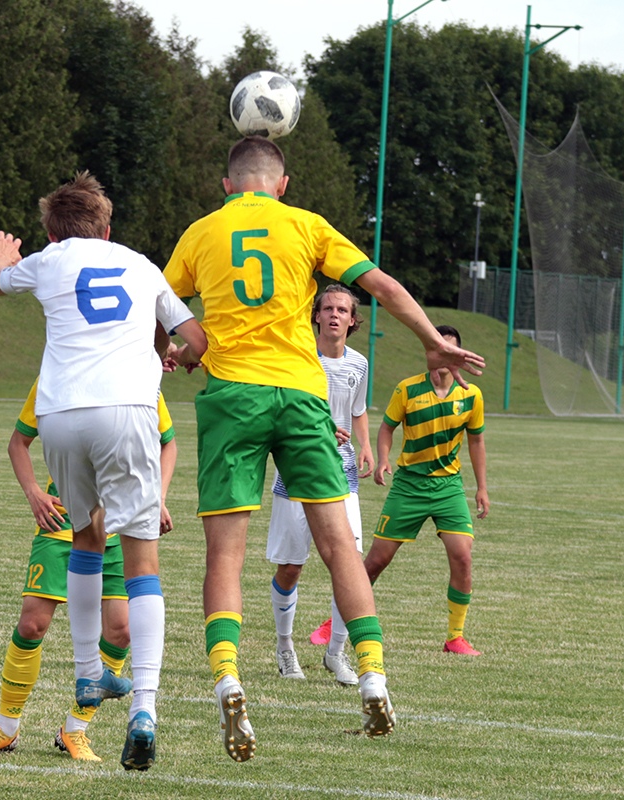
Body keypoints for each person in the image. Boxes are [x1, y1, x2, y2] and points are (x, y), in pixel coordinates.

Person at [161, 136, 484, 762]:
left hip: (233, 398)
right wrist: (431, 339)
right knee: (340, 546)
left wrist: (174, 351)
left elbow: (159, 308)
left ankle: (228, 679)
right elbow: (381, 284)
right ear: (282, 185)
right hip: (303, 397)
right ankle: (373, 677)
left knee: (225, 555)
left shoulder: (200, 233)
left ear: (227, 185)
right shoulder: (307, 225)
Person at [0, 171, 205, 771]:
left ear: (53, 232)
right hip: (126, 411)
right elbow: (195, 338)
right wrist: (177, 355)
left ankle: (87, 674)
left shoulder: (49, 260)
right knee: (141, 563)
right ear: (107, 229)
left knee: (85, 538)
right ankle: (144, 708)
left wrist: (2, 257)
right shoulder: (142, 265)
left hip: (59, 414)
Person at [0, 378, 178, 762]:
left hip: (121, 528)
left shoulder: (135, 375)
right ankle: (5, 727)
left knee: (122, 630)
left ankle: (75, 728)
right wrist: (34, 492)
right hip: (64, 521)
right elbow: (18, 442)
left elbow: (168, 442)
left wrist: (157, 497)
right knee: (33, 623)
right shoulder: (57, 373)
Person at [266, 285, 372, 686]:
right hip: (296, 470)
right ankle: (285, 647)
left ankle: (335, 653)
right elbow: (282, 409)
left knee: (351, 566)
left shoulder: (359, 363)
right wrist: (321, 427)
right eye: (327, 308)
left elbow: (357, 411)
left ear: (352, 320)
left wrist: (365, 446)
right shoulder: (298, 358)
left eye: (342, 310)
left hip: (342, 475)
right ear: (315, 315)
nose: (334, 315)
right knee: (291, 566)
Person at [366, 325, 489, 656]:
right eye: (438, 349)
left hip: (448, 487)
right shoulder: (407, 389)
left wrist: (482, 487)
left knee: (463, 556)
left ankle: (455, 637)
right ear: (429, 352)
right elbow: (387, 428)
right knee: (376, 561)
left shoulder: (471, 395)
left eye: (450, 350)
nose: (443, 356)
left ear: (459, 356)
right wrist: (383, 460)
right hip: (409, 485)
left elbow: (477, 441)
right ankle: (335, 621)